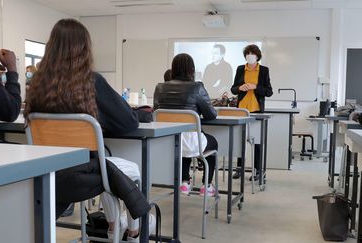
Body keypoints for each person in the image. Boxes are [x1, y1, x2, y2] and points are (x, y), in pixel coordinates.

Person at [23, 19, 153, 242]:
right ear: (84, 49)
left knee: (107, 166)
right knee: (127, 169)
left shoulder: (37, 83)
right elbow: (128, 122)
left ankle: (113, 226)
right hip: (84, 173)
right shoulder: (92, 81)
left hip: (47, 173)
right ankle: (133, 231)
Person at [154, 53, 218, 197]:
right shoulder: (197, 87)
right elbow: (211, 115)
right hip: (191, 143)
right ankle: (207, 185)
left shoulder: (159, 88)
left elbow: (156, 114)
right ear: (192, 69)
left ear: (173, 68)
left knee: (181, 140)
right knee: (212, 142)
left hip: (167, 141)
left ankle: (184, 183)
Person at [231, 44, 273, 181]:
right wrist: (240, 88)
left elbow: (268, 92)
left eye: (252, 53)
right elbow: (233, 89)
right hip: (241, 110)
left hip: (256, 110)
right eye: (247, 53)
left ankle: (258, 171)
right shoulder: (240, 69)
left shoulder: (264, 70)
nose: (249, 56)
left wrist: (255, 87)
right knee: (240, 140)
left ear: (257, 56)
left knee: (257, 142)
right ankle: (239, 169)